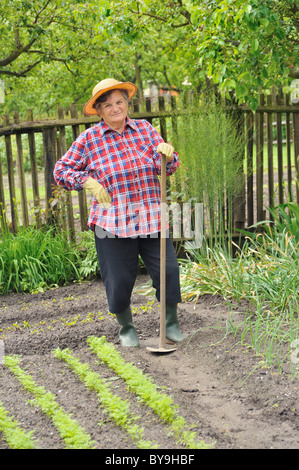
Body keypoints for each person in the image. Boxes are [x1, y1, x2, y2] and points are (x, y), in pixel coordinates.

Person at [54, 78, 185, 347]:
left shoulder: (145, 130)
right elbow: (61, 171)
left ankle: (170, 324)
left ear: (127, 104)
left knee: (168, 271)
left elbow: (168, 168)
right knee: (119, 278)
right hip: (111, 223)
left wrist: (169, 156)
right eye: (108, 105)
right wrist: (87, 182)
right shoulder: (89, 140)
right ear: (99, 111)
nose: (116, 108)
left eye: (120, 102)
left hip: (150, 217)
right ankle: (127, 328)